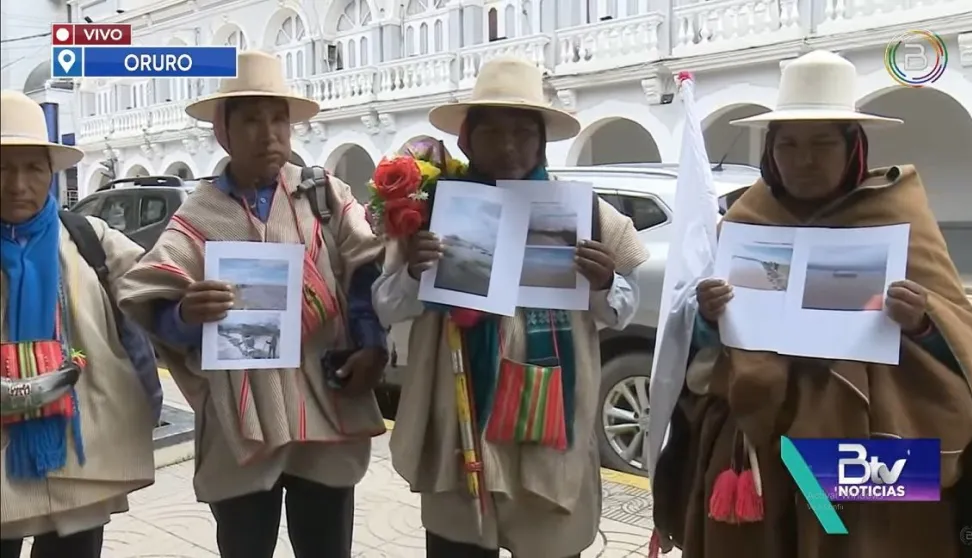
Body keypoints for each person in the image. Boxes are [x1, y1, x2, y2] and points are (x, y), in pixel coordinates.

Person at [651, 50, 972, 558]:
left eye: (822, 143)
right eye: (787, 144)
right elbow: (699, 354)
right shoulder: (745, 222)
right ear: (770, 150)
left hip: (861, 451)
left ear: (854, 146)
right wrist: (707, 315)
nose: (803, 160)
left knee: (843, 542)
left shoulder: (896, 218)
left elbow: (961, 338)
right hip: (753, 450)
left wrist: (922, 322)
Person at [372, 56, 651, 558]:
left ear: (542, 140)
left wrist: (605, 282)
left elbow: (622, 311)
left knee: (548, 536)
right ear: (467, 140)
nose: (507, 147)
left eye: (522, 133)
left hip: (551, 424)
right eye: (492, 132)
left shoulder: (585, 212)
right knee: (460, 542)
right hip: (458, 418)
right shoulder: (432, 212)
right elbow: (387, 307)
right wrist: (414, 271)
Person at [114, 51, 388, 558]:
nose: (269, 133)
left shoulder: (323, 194)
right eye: (251, 120)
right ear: (224, 132)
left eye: (278, 118)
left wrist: (372, 345)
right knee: (245, 547)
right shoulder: (198, 216)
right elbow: (149, 297)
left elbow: (366, 263)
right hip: (239, 419)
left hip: (323, 408)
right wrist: (187, 315)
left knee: (326, 547)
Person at [0, 91, 156, 558]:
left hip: (80, 456)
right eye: (4, 167)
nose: (17, 183)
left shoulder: (90, 240)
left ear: (50, 173)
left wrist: (194, 299)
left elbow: (154, 291)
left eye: (32, 168)